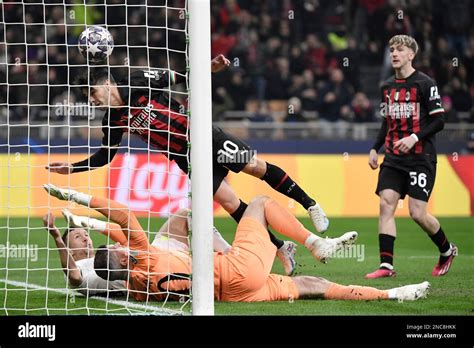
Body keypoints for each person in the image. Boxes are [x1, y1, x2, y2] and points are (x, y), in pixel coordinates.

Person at [45, 54, 329, 276]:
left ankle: (310, 204)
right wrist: (73, 168)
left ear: (107, 83)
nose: (92, 100)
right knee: (230, 202)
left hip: (203, 135)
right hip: (185, 157)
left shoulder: (138, 81)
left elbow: (180, 77)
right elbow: (106, 156)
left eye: (92, 92)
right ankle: (281, 248)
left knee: (256, 168)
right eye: (87, 97)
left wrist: (209, 67)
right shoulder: (112, 121)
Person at [44, 184, 430, 303]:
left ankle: (394, 295)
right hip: (234, 267)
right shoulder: (140, 256)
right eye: (121, 251)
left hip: (231, 294)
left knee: (315, 288)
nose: (125, 247)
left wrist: (80, 224)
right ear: (125, 259)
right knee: (260, 204)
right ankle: (314, 244)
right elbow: (125, 216)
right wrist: (76, 198)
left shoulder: (135, 289)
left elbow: (114, 248)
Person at [367, 35, 457, 279]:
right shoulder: (386, 87)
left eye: (400, 49)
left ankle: (447, 250)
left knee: (417, 213)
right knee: (386, 203)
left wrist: (415, 138)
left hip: (421, 157)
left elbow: (439, 120)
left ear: (411, 55)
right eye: (391, 49)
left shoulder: (425, 84)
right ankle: (386, 266)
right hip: (394, 158)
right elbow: (386, 121)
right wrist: (376, 148)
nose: (394, 53)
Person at [43, 206, 231, 296]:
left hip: (154, 254)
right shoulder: (81, 267)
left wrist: (91, 223)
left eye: (85, 234)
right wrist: (57, 237)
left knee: (185, 214)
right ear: (70, 251)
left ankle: (230, 253)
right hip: (150, 273)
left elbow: (127, 239)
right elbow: (74, 277)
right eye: (77, 237)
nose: (85, 237)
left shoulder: (106, 255)